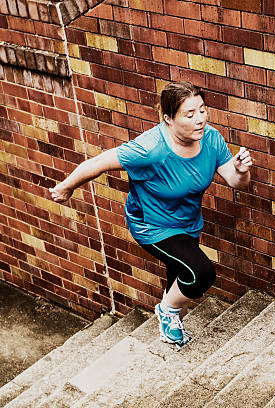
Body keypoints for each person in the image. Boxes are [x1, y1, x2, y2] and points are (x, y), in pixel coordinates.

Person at [49, 81, 252, 347]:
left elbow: (237, 183)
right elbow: (98, 163)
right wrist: (65, 188)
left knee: (180, 277)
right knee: (201, 274)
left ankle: (171, 323)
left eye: (202, 110)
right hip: (152, 226)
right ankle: (166, 311)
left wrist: (241, 170)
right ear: (168, 119)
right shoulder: (149, 149)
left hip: (187, 224)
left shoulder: (211, 139)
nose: (200, 119)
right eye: (189, 115)